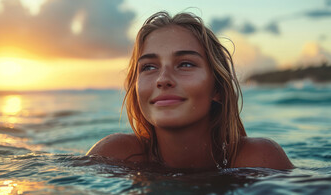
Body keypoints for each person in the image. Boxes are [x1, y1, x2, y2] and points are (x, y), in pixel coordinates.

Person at [87, 11, 293, 170]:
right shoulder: (115, 155)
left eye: (185, 64)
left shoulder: (259, 159)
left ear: (217, 88)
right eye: (149, 67)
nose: (163, 79)